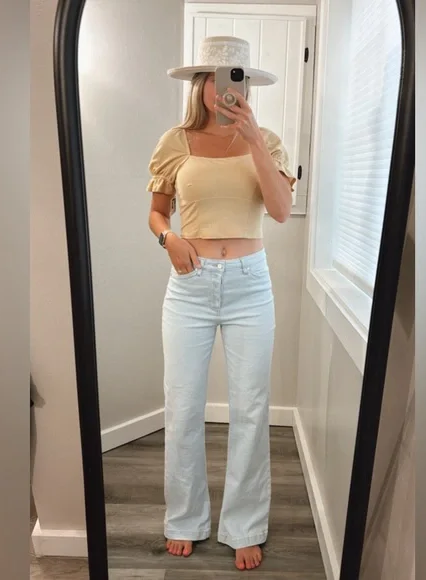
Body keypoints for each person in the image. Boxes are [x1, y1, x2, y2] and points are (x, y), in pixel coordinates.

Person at [147, 36, 296, 572]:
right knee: (183, 405)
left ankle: (244, 525)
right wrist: (169, 239)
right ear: (200, 84)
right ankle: (185, 518)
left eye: (234, 77)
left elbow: (280, 210)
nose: (223, 88)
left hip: (250, 286)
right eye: (213, 77)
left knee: (251, 408)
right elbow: (157, 213)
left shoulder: (268, 141)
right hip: (190, 284)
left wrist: (253, 139)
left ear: (246, 85)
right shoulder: (176, 141)